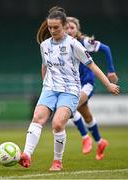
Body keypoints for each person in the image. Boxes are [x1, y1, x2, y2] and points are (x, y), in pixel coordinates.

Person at [19, 6, 119, 171]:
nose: (52, 30)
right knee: (37, 118)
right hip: (50, 89)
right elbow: (44, 66)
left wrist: (108, 84)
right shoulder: (44, 45)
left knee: (58, 124)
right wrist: (46, 84)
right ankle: (26, 155)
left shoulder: (74, 44)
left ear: (64, 26)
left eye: (56, 27)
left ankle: (57, 161)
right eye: (50, 27)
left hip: (70, 90)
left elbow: (92, 65)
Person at [66, 17, 119, 160]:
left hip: (86, 84)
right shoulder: (63, 45)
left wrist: (111, 70)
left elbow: (106, 49)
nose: (69, 30)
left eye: (72, 27)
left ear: (77, 29)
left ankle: (85, 138)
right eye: (67, 27)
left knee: (70, 107)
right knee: (87, 116)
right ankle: (101, 142)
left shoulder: (84, 42)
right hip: (72, 86)